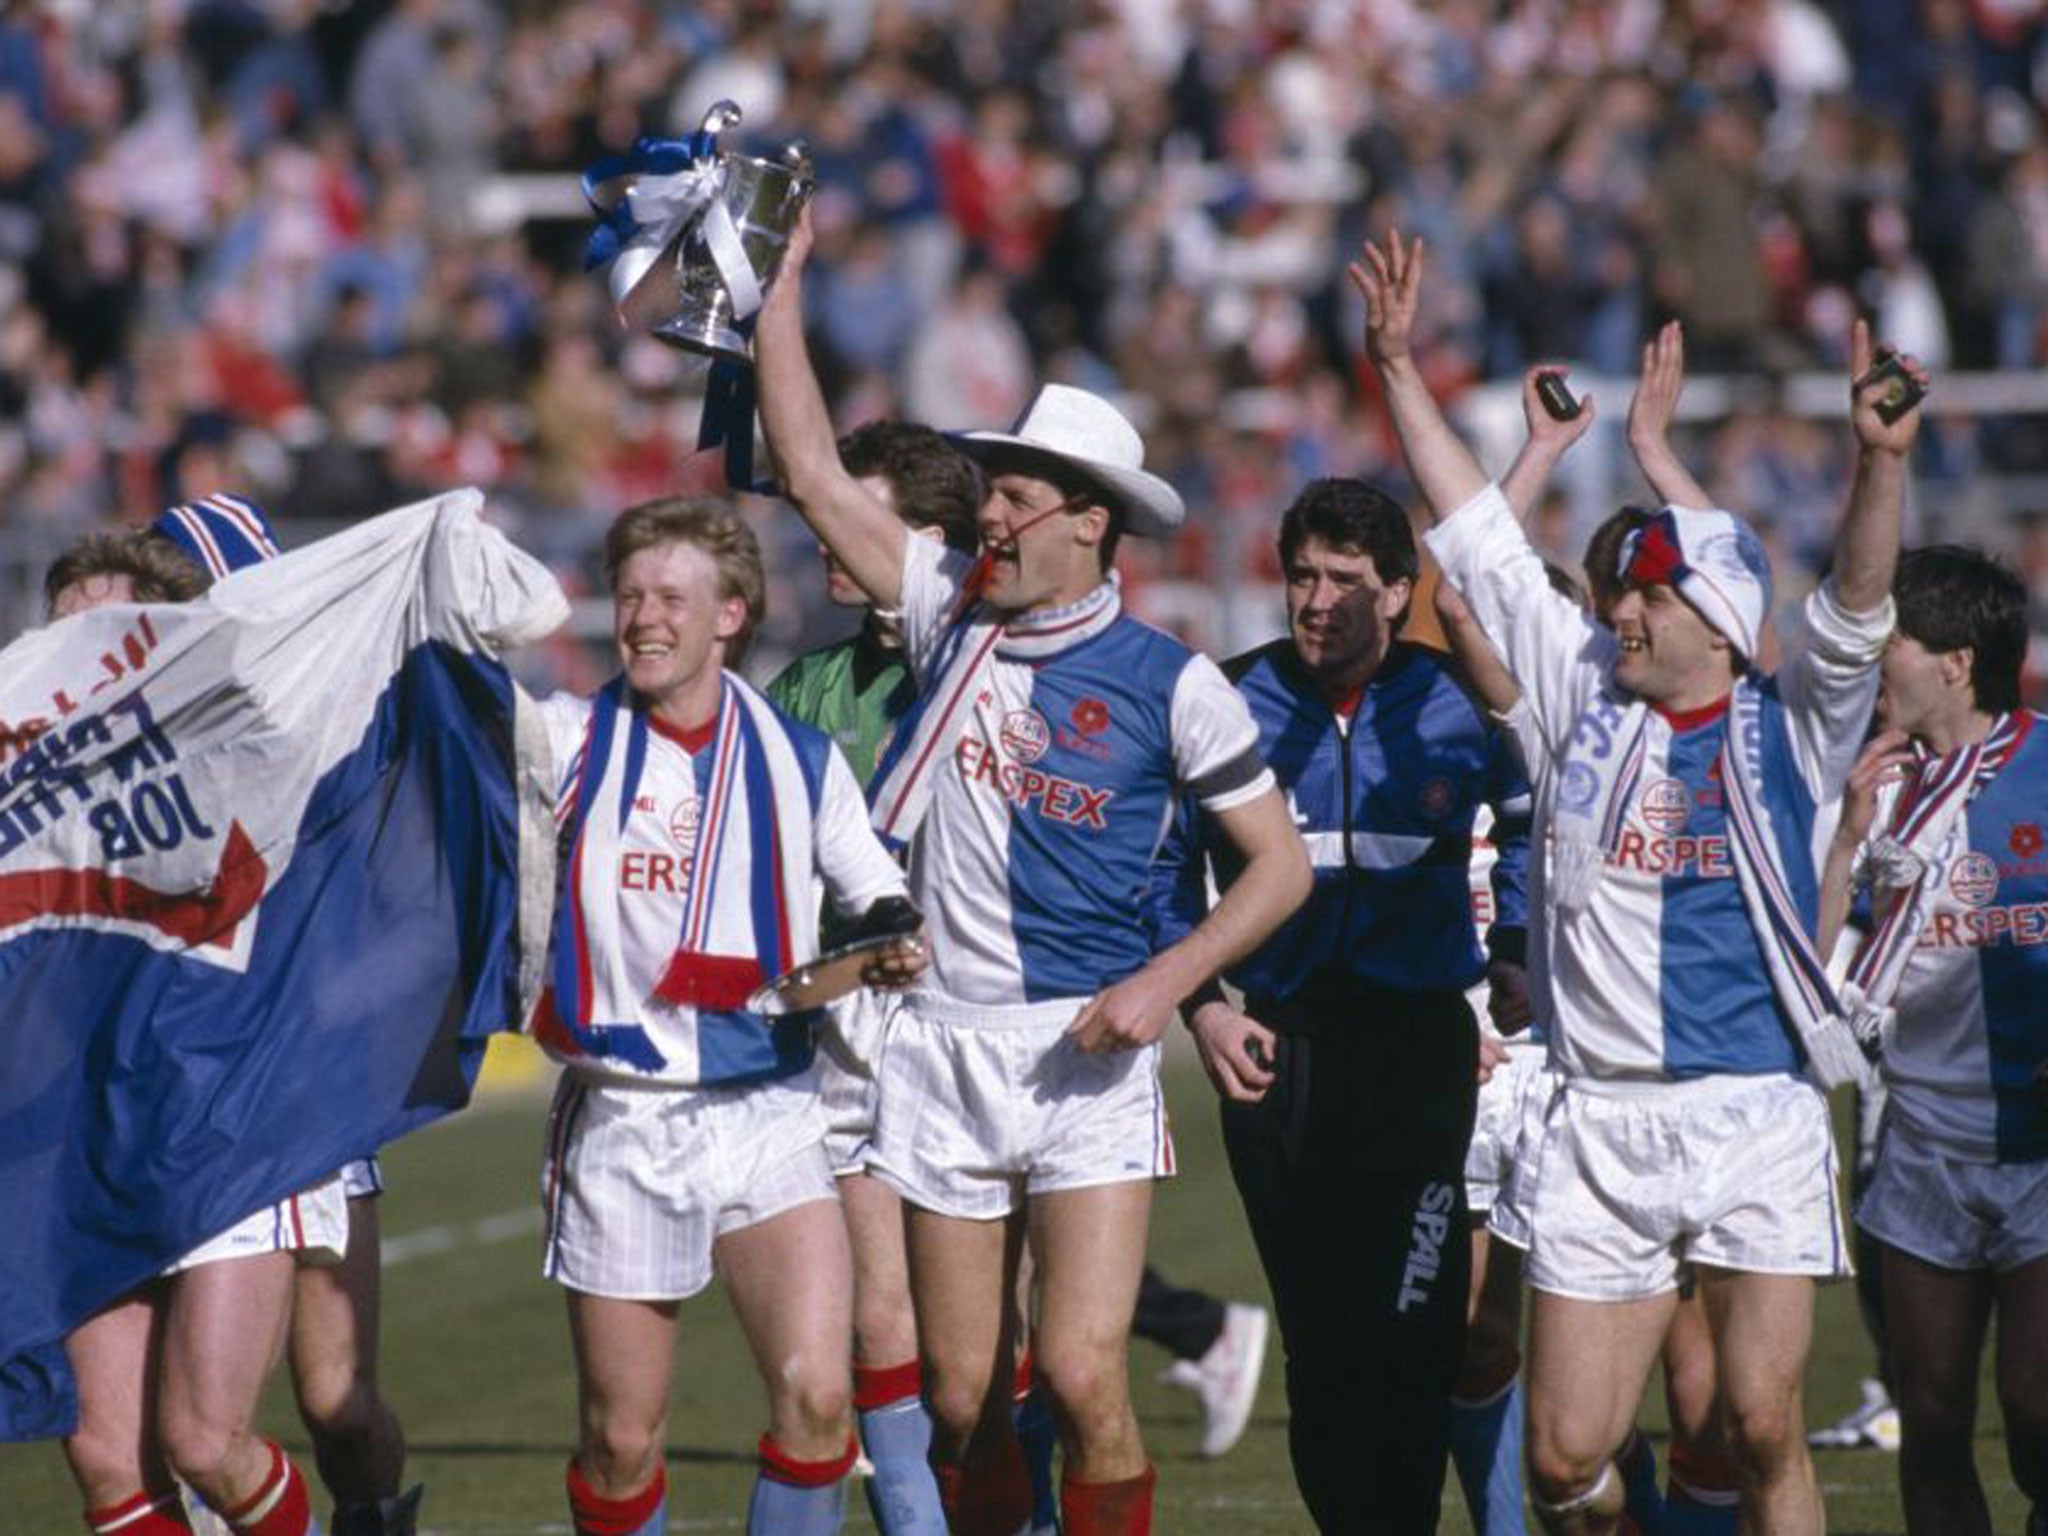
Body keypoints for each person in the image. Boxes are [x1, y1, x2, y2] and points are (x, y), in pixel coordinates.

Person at [755, 206, 1310, 1536]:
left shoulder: (1172, 683)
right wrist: (779, 296)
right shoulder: (949, 608)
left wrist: (1171, 982)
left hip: (1086, 1058)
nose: (986, 510)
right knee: (961, 1395)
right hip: (939, 1048)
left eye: (1011, 493)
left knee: (1077, 1376)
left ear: (1087, 521)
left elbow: (1276, 870)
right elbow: (815, 474)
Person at [1358, 229, 1922, 1536]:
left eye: (1652, 598)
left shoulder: (1795, 725)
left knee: (1763, 1422)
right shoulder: (1576, 703)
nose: (1621, 611)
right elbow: (1477, 533)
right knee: (1565, 1463)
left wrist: (1878, 461)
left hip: (1750, 1116)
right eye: (1624, 595)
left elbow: (1857, 595)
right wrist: (1396, 368)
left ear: (1717, 622)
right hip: (1600, 1122)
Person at [528, 497, 924, 1536]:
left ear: (730, 615)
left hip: (770, 1107)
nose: (643, 619)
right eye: (628, 597)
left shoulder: (798, 756)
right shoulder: (567, 741)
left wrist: (889, 944)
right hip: (627, 1116)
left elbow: (879, 894)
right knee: (620, 1441)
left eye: (671, 598)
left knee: (814, 1395)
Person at [1149, 472, 1532, 1534]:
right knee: (1320, 1339)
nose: (1315, 601)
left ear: (1398, 591)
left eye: (1344, 581)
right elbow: (1163, 871)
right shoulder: (1224, 699)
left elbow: (1536, 815)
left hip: (1419, 1057)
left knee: (1413, 1333)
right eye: (1301, 577)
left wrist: (1514, 946)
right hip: (1277, 1056)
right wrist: (1205, 1010)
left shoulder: (1460, 699)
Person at [43, 508, 348, 1536]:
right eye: (57, 637)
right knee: (103, 1460)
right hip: (92, 1133)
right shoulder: (28, 800)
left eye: (103, 635)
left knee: (206, 1440)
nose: (75, 661)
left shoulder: (243, 752)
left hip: (231, 1116)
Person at [767, 420, 981, 1536]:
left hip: (987, 1040)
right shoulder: (805, 688)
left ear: (928, 539)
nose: (820, 534)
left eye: (847, 510)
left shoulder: (998, 664)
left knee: (974, 1370)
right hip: (853, 1041)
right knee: (877, 1327)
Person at [1816, 545, 2048, 1536]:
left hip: (2038, 1149)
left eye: (1894, 638)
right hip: (1916, 1141)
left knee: (2037, 1418)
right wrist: (1844, 838)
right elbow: (1805, 956)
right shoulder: (1866, 780)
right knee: (1934, 1421)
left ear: (1952, 660)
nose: (1879, 658)